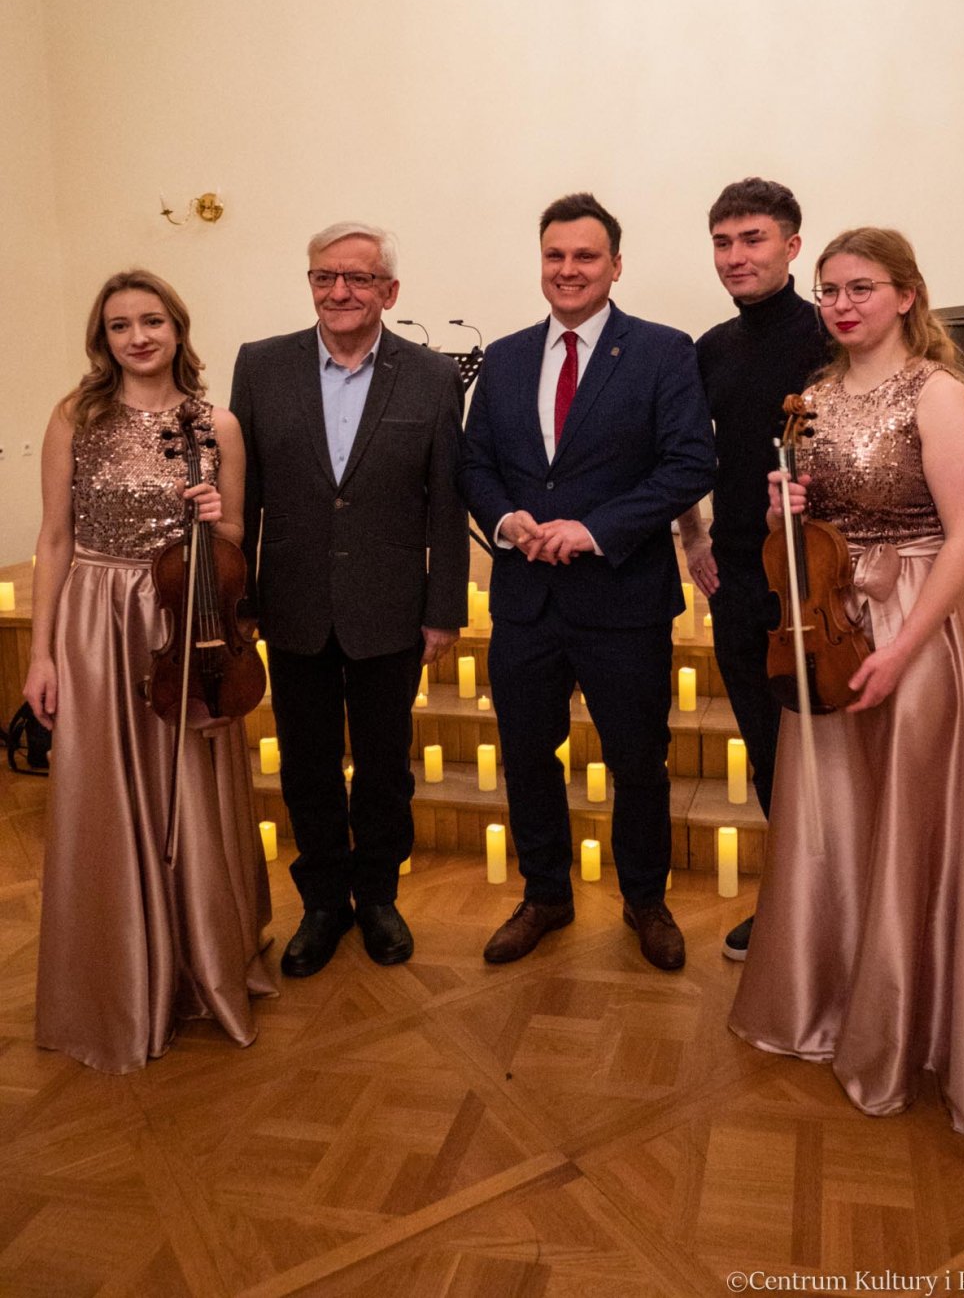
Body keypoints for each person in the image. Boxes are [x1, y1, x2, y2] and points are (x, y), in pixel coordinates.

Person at [728, 228, 964, 1144]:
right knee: (835, 818)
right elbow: (802, 529)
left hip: (917, 619)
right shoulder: (818, 397)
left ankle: (914, 1029)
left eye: (861, 287)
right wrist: (779, 507)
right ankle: (833, 1005)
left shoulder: (938, 392)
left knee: (913, 820)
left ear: (906, 294)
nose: (841, 303)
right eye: (830, 288)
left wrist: (905, 646)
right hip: (832, 619)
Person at [24, 269, 275, 1073]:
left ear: (177, 327)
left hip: (183, 615)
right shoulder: (77, 416)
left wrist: (214, 514)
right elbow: (56, 540)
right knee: (103, 791)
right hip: (97, 619)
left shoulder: (218, 424)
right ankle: (118, 974)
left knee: (189, 791)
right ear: (104, 339)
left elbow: (235, 533)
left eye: (153, 320)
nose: (138, 336)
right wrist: (42, 650)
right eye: (121, 325)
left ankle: (200, 962)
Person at [461, 193, 716, 971]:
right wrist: (508, 522)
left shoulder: (663, 350)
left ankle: (646, 898)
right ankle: (546, 894)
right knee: (527, 754)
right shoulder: (502, 357)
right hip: (526, 601)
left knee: (638, 757)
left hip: (623, 599)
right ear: (541, 261)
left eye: (585, 256)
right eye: (554, 255)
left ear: (615, 265)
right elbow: (474, 463)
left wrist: (595, 529)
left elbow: (689, 464)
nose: (567, 270)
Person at [231, 222, 468, 979]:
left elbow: (445, 503)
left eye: (359, 279)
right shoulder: (260, 366)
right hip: (291, 602)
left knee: (383, 765)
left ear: (389, 292)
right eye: (325, 276)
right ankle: (323, 901)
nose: (340, 291)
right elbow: (249, 495)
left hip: (390, 606)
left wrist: (444, 608)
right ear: (309, 283)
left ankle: (378, 897)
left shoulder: (431, 377)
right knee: (304, 765)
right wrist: (239, 599)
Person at [676, 177, 829, 962]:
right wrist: (691, 531)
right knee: (768, 746)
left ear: (792, 246)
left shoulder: (831, 337)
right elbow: (682, 455)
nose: (736, 257)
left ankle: (848, 901)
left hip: (823, 583)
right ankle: (795, 901)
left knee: (829, 752)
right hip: (737, 577)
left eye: (753, 239)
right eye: (723, 242)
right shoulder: (712, 347)